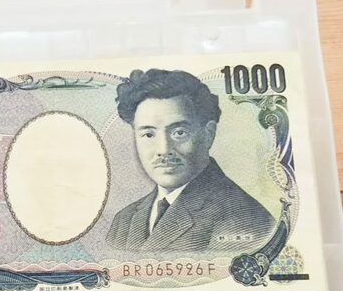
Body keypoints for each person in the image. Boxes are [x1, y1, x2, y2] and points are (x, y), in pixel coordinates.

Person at [106, 69, 275, 252]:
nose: (163, 150)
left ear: (208, 134)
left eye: (179, 133)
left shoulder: (246, 218)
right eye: (148, 134)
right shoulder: (124, 220)